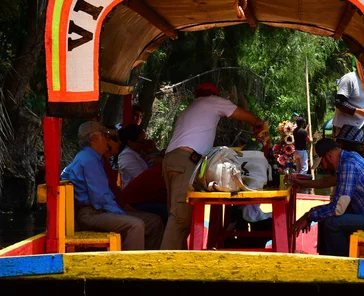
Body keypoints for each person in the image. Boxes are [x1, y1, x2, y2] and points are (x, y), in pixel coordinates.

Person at [160, 82, 267, 250]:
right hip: (185, 160)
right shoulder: (211, 101)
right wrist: (259, 124)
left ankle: (177, 262)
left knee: (177, 216)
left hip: (172, 160)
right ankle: (166, 267)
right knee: (180, 219)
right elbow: (246, 117)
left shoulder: (192, 107)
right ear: (214, 95)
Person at [61, 121, 163, 250]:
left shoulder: (93, 158)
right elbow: (100, 199)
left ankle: (150, 262)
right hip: (91, 214)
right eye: (105, 136)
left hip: (96, 211)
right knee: (135, 225)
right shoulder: (89, 160)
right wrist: (121, 214)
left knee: (153, 222)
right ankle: (130, 266)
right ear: (94, 138)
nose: (107, 140)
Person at [293, 138, 364, 257]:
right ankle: (325, 258)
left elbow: (338, 208)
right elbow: (336, 204)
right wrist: (311, 213)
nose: (323, 168)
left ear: (329, 156)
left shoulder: (349, 165)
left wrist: (309, 216)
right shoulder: (349, 159)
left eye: (321, 163)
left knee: (332, 223)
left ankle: (340, 263)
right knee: (324, 218)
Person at [332, 69, 364, 137]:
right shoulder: (349, 78)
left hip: (359, 128)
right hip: (344, 128)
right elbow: (340, 103)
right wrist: (361, 112)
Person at [117, 124, 151, 188]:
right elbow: (142, 178)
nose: (144, 144)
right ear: (130, 142)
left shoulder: (139, 152)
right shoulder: (126, 156)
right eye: (142, 142)